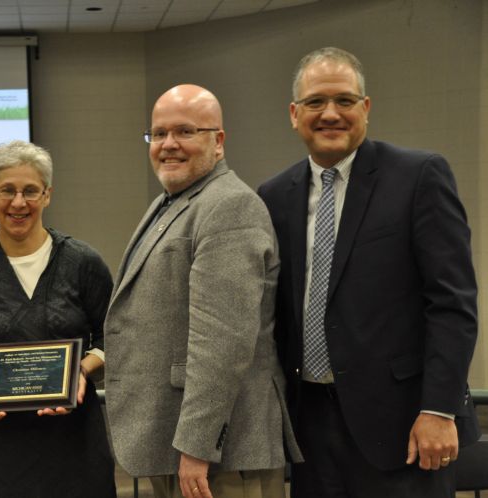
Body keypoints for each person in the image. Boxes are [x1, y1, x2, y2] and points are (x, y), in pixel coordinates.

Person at [257, 47, 480, 498]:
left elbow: (452, 304)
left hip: (404, 427)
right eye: (316, 102)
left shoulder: (419, 176)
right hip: (310, 429)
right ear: (294, 114)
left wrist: (440, 409)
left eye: (345, 100)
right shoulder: (275, 195)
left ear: (366, 108)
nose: (331, 114)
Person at [104, 84, 302, 498]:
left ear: (218, 141)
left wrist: (197, 446)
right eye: (158, 134)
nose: (168, 145)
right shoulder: (174, 202)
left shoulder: (229, 206)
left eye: (185, 132)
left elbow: (222, 341)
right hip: (182, 446)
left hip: (220, 456)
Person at [0, 140, 117, 498]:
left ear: (47, 195)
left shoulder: (83, 262)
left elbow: (113, 340)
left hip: (75, 448)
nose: (18, 202)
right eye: (6, 190)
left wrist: (79, 373)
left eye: (30, 191)